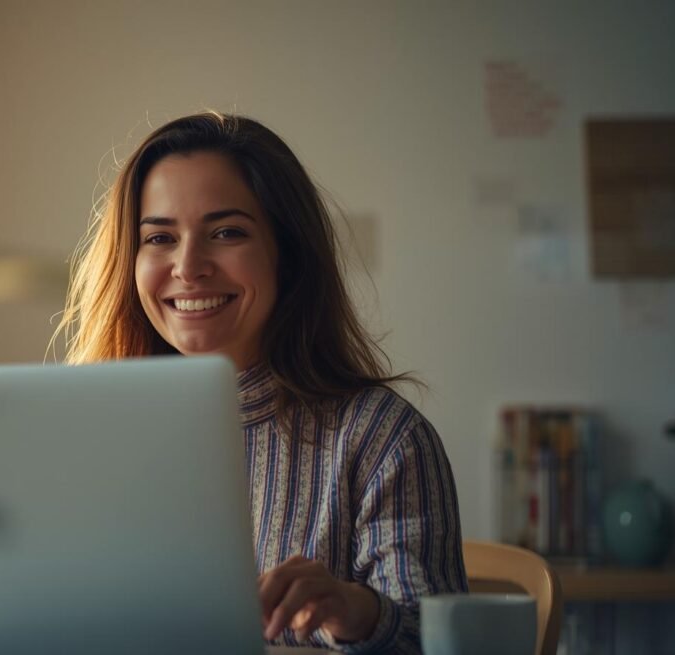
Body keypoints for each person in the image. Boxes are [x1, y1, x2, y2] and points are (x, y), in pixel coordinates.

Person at [54, 111, 468, 653]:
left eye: (226, 232)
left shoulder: (382, 439)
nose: (188, 266)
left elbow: (433, 637)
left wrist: (356, 611)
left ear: (288, 257)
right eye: (159, 237)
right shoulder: (89, 433)